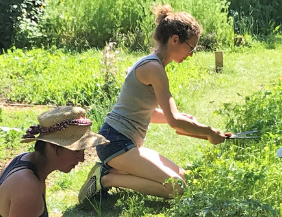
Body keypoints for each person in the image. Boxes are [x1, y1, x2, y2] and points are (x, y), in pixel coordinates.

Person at [78, 4, 231, 202]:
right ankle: (107, 178)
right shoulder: (153, 68)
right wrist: (208, 131)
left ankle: (116, 169)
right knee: (176, 188)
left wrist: (177, 120)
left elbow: (146, 111)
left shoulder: (153, 64)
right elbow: (175, 121)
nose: (191, 54)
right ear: (175, 40)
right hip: (115, 143)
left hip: (124, 142)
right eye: (191, 47)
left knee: (183, 178)